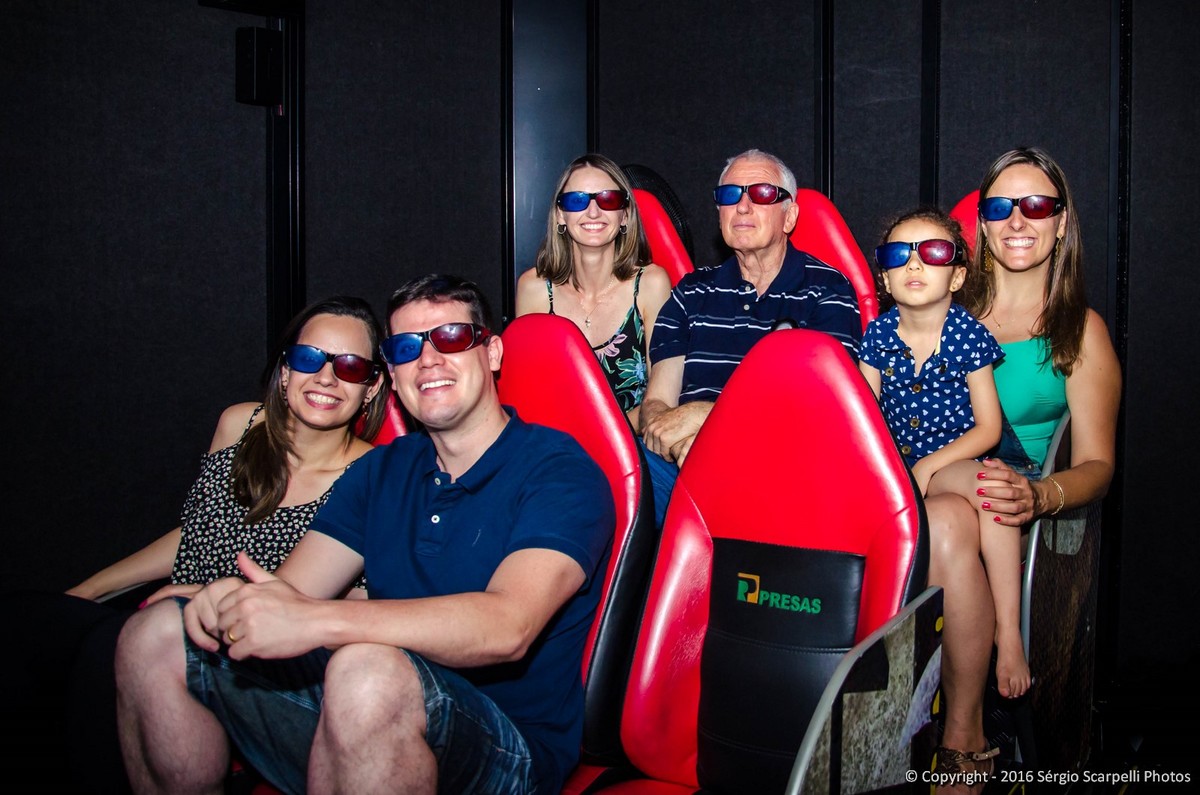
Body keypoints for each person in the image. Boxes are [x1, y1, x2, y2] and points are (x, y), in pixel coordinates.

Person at [115, 274, 615, 795]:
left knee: (367, 669)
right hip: (358, 705)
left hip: (506, 747)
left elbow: (507, 628)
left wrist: (318, 622)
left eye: (450, 337)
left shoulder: (559, 471)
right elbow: (292, 593)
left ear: (491, 353)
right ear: (393, 376)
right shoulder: (380, 472)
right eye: (406, 348)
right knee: (157, 633)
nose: (428, 360)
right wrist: (219, 602)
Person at [0, 295, 387, 792]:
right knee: (23, 620)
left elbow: (359, 600)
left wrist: (211, 599)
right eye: (310, 358)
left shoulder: (373, 476)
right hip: (165, 619)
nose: (327, 377)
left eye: (350, 366)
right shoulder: (239, 424)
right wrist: (90, 589)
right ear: (286, 370)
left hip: (257, 658)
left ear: (372, 387)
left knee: (102, 655)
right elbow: (195, 532)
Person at [924, 147, 1121, 782]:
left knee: (952, 516)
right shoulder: (942, 314)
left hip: (1015, 504)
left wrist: (1039, 496)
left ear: (1061, 223)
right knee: (942, 514)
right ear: (981, 225)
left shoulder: (1080, 331)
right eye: (1000, 207)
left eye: (1036, 205)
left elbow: (1098, 464)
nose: (1017, 220)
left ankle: (961, 734)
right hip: (930, 487)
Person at [859, 207, 1030, 698]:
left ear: (956, 276)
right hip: (898, 472)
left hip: (957, 459)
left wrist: (930, 465)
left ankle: (1009, 631)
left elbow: (989, 428)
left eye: (933, 252)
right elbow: (866, 419)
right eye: (899, 254)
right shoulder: (878, 336)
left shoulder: (967, 334)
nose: (914, 264)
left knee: (993, 487)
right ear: (885, 278)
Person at [640, 148, 861, 525]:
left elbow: (822, 410)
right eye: (730, 195)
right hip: (680, 467)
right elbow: (658, 402)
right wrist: (673, 437)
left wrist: (708, 422)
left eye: (761, 194)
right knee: (605, 474)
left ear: (789, 216)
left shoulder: (827, 290)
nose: (742, 206)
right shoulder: (690, 292)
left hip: (782, 467)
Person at [516, 153, 672, 425]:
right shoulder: (533, 288)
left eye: (608, 199)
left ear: (625, 215)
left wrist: (603, 438)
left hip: (631, 442)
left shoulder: (651, 284)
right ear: (560, 215)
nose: (593, 211)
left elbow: (660, 399)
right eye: (577, 200)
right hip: (556, 442)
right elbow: (528, 394)